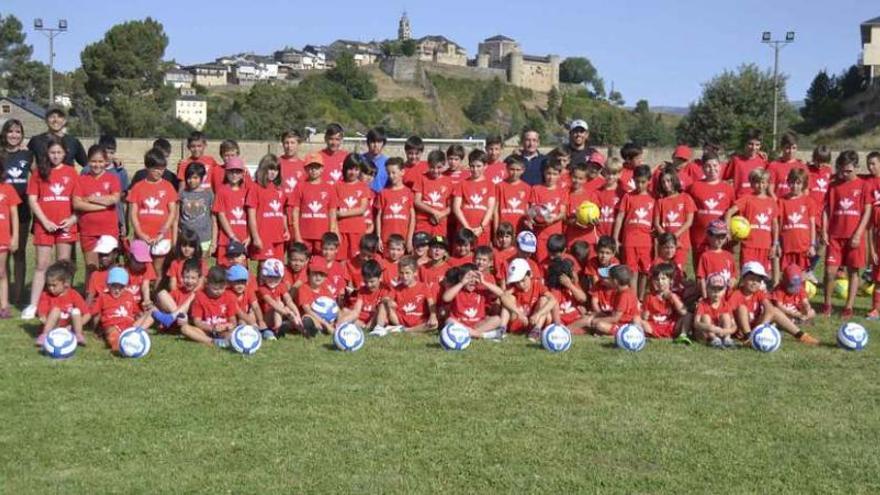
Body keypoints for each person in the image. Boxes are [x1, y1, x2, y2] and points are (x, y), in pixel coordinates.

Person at [23, 137, 79, 320]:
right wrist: (45, 221)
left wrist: (72, 219)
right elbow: (32, 200)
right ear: (47, 153)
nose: (55, 156)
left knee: (63, 265)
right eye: (52, 152)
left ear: (65, 153)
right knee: (41, 265)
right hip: (44, 225)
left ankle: (65, 303)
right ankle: (33, 304)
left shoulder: (72, 173)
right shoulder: (39, 172)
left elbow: (78, 201)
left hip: (65, 226)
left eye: (59, 153)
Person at [822, 150, 871, 317]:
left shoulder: (864, 185)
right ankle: (827, 305)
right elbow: (827, 209)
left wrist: (858, 234)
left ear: (856, 167)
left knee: (853, 272)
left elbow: (867, 211)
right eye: (842, 170)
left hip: (854, 237)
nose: (844, 174)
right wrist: (824, 229)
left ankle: (848, 307)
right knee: (830, 271)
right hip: (835, 236)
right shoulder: (833, 185)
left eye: (848, 171)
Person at [728, 261, 819, 345]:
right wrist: (733, 328)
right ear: (743, 279)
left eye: (758, 280)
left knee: (774, 310)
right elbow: (729, 314)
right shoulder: (736, 295)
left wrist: (762, 326)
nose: (755, 283)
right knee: (742, 308)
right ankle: (749, 338)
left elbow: (769, 307)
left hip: (755, 327)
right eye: (751, 279)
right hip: (741, 330)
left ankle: (801, 335)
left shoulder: (759, 293)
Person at [74, 144, 121, 283]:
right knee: (92, 267)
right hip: (88, 231)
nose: (97, 165)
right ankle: (90, 299)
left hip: (108, 230)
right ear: (88, 161)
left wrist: (91, 199)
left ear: (106, 162)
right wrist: (101, 206)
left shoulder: (112, 178)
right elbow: (77, 204)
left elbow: (114, 199)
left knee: (109, 266)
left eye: (100, 161)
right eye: (93, 161)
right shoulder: (81, 179)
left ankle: (110, 298)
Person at [128, 148, 178, 274]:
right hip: (142, 236)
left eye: (162, 169)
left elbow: (172, 212)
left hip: (161, 237)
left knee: (157, 269)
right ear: (147, 167)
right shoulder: (138, 187)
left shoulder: (168, 186)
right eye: (155, 168)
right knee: (141, 268)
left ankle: (156, 293)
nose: (159, 172)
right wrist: (140, 233)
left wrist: (162, 232)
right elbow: (133, 213)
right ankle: (143, 292)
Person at [1, 119, 33, 305]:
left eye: (18, 132)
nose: (14, 135)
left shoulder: (28, 155)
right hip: (2, 210)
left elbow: (40, 174)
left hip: (21, 210)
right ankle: (5, 290)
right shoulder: (1, 154)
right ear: (4, 134)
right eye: (10, 131)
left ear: (22, 135)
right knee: (2, 251)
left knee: (19, 252)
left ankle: (18, 295)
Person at [726, 168, 778, 278]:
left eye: (763, 182)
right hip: (748, 245)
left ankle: (761, 295)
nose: (760, 185)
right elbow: (729, 212)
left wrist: (774, 244)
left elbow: (775, 224)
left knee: (762, 277)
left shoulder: (771, 202)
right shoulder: (746, 198)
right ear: (751, 183)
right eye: (757, 182)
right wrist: (727, 231)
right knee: (747, 275)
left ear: (768, 183)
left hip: (765, 246)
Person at [688, 151, 734, 270]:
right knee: (700, 269)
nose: (712, 169)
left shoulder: (728, 188)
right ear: (702, 168)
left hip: (720, 237)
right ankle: (700, 288)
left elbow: (733, 212)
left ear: (720, 166)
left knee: (720, 268)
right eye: (708, 166)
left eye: (715, 165)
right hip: (699, 236)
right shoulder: (694, 187)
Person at [613, 165, 655, 298]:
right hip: (630, 239)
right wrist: (615, 238)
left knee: (645, 271)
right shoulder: (628, 196)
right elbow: (620, 217)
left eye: (643, 182)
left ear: (649, 180)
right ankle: (633, 299)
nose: (640, 185)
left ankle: (641, 298)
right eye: (637, 181)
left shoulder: (654, 198)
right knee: (632, 270)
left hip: (646, 241)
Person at [90, 267, 154, 352]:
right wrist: (96, 329)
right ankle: (118, 347)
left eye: (121, 287)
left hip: (130, 326)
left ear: (126, 287)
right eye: (114, 286)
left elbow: (136, 312)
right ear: (108, 285)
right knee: (112, 332)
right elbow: (96, 314)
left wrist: (142, 317)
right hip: (113, 325)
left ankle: (135, 336)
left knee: (150, 317)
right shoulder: (103, 297)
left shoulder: (129, 296)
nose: (117, 290)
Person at [572, 265, 642, 337]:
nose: (605, 279)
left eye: (609, 278)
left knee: (599, 325)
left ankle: (623, 334)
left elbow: (615, 318)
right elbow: (614, 315)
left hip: (624, 325)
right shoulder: (620, 292)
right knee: (590, 319)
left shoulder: (624, 295)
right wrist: (599, 315)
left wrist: (596, 320)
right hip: (618, 321)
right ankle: (568, 330)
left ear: (615, 281)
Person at [441, 263, 507, 339]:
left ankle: (470, 334)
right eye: (468, 277)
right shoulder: (457, 289)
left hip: (478, 324)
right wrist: (462, 283)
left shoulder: (480, 289)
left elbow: (501, 293)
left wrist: (483, 282)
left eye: (475, 277)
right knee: (449, 321)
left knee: (497, 319)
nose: (472, 280)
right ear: (461, 278)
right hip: (460, 324)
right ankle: (483, 335)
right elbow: (446, 298)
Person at [180, 266, 240, 348]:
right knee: (185, 329)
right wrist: (212, 329)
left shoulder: (230, 296)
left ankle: (224, 341)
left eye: (222, 288)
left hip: (224, 331)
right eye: (215, 288)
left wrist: (228, 325)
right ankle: (212, 341)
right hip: (206, 331)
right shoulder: (200, 296)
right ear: (207, 284)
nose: (218, 291)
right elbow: (197, 321)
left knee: (233, 333)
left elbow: (233, 320)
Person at [290, 153, 338, 254]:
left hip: (322, 236)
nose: (313, 170)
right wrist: (297, 235)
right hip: (304, 235)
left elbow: (332, 212)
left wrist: (331, 231)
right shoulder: (300, 186)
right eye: (310, 167)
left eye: (317, 167)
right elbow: (295, 212)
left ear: (322, 168)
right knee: (303, 261)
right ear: (306, 169)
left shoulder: (329, 188)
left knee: (320, 263)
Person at [34, 260, 89, 346]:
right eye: (49, 285)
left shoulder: (73, 294)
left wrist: (77, 325)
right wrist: (51, 326)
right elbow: (42, 316)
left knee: (76, 311)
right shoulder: (45, 296)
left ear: (65, 284)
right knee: (56, 310)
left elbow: (87, 314)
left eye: (54, 285)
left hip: (68, 328)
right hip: (54, 328)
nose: (51, 288)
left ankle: (78, 335)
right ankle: (44, 335)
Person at [246, 154, 289, 262]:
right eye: (270, 169)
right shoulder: (255, 187)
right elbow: (251, 215)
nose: (273, 172)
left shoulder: (280, 189)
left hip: (278, 236)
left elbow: (282, 212)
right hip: (264, 236)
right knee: (264, 267)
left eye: (276, 169)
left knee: (277, 267)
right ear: (263, 169)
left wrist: (286, 230)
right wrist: (255, 237)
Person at [526, 158, 568, 263]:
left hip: (555, 235)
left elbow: (562, 213)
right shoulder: (536, 189)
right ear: (544, 173)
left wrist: (553, 219)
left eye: (554, 174)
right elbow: (532, 210)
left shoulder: (562, 191)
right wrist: (532, 218)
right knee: (541, 262)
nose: (551, 177)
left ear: (559, 175)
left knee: (555, 262)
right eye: (548, 173)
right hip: (541, 234)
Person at [500, 258, 554, 340]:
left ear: (530, 275)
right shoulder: (514, 288)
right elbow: (503, 297)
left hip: (533, 321)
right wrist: (519, 313)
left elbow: (553, 300)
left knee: (544, 300)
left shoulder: (537, 284)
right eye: (517, 282)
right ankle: (501, 329)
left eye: (523, 280)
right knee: (509, 298)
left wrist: (538, 314)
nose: (521, 285)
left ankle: (536, 331)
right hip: (517, 322)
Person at [452, 149, 496, 247]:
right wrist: (467, 227)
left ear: (485, 166)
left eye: (478, 166)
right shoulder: (462, 184)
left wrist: (481, 227)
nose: (475, 169)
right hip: (464, 230)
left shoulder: (490, 185)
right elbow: (456, 208)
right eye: (472, 166)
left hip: (481, 231)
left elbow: (490, 209)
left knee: (480, 258)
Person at [653, 168, 695, 267]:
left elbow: (689, 221)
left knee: (677, 269)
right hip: (664, 244)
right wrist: (667, 239)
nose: (666, 184)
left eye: (669, 181)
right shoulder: (660, 201)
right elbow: (656, 223)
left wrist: (674, 237)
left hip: (681, 242)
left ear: (675, 180)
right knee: (663, 270)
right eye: (663, 182)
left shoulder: (686, 198)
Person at [384, 255, 437, 333]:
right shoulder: (397, 288)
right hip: (400, 320)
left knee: (435, 324)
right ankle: (380, 328)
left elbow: (431, 303)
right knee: (384, 306)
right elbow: (386, 298)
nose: (404, 276)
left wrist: (433, 316)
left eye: (407, 273)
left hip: (419, 320)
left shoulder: (424, 286)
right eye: (401, 273)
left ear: (415, 273)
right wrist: (389, 301)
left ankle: (406, 330)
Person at [640, 263, 692, 342]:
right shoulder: (649, 296)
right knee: (638, 321)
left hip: (670, 326)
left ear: (670, 281)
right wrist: (645, 315)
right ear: (653, 281)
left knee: (688, 315)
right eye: (657, 279)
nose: (660, 282)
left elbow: (683, 311)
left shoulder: (674, 296)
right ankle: (646, 336)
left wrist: (672, 297)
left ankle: (683, 335)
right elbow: (644, 317)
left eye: (663, 279)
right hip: (654, 326)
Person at [777, 168, 816, 273]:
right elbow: (777, 224)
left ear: (803, 184)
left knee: (801, 277)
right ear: (788, 182)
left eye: (798, 183)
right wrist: (777, 243)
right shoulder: (781, 201)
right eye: (792, 182)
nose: (795, 186)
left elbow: (812, 224)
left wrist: (812, 245)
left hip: (803, 247)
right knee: (787, 275)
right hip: (787, 246)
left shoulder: (809, 201)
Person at [334, 154, 371, 259]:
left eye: (356, 169)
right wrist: (335, 229)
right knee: (340, 259)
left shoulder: (363, 186)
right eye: (350, 169)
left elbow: (362, 209)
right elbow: (333, 210)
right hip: (341, 230)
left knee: (356, 259)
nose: (353, 172)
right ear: (345, 168)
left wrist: (342, 214)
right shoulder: (337, 186)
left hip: (357, 230)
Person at [152, 258, 201, 332]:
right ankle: (137, 328)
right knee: (162, 294)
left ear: (199, 279)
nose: (189, 281)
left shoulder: (200, 294)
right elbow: (163, 305)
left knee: (193, 296)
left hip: (187, 323)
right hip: (178, 320)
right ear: (182, 277)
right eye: (187, 277)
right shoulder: (178, 291)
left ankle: (172, 318)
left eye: (193, 278)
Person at [256, 258, 300, 340]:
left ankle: (297, 325)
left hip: (277, 315)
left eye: (276, 277)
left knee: (286, 306)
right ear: (264, 276)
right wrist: (289, 314)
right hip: (264, 319)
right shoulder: (262, 289)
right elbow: (273, 304)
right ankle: (277, 329)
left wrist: (297, 315)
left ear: (281, 277)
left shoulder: (281, 285)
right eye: (270, 276)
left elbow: (289, 301)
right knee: (279, 304)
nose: (273, 280)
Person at [376, 158, 415, 251]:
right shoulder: (383, 192)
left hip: (402, 240)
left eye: (394, 173)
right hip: (386, 239)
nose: (391, 176)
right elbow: (379, 215)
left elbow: (412, 216)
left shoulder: (408, 192)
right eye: (388, 173)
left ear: (402, 172)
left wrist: (409, 239)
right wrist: (378, 237)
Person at [0, 145, 21, 317]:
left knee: (1, 272)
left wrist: (15, 238)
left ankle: (4, 306)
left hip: (3, 238)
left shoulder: (7, 188)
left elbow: (14, 214)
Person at [177, 162, 215, 254]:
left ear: (202, 178)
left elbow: (214, 219)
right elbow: (176, 217)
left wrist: (213, 242)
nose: (191, 181)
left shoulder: (208, 194)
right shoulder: (182, 194)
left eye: (195, 178)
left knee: (201, 265)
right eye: (189, 178)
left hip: (204, 237)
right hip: (186, 238)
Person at [413, 150, 453, 238]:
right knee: (422, 249)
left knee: (438, 249)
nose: (435, 171)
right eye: (432, 167)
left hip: (440, 224)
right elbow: (417, 201)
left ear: (444, 165)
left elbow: (450, 206)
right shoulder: (421, 178)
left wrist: (441, 215)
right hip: (422, 224)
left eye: (439, 167)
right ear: (428, 165)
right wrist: (433, 211)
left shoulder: (448, 181)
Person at [295, 256, 336, 337]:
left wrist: (335, 321)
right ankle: (315, 330)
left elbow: (334, 306)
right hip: (313, 318)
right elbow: (307, 310)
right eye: (315, 273)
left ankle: (332, 329)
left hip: (326, 319)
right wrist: (325, 324)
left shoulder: (326, 289)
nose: (318, 276)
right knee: (306, 318)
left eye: (321, 274)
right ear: (309, 273)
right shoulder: (303, 288)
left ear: (325, 276)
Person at [696, 220, 738, 299]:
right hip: (711, 297)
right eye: (717, 236)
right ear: (709, 235)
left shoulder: (729, 255)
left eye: (723, 236)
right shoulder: (705, 256)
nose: (720, 239)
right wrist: (705, 297)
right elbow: (701, 279)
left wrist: (733, 281)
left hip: (727, 297)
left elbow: (734, 276)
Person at [693, 273, 737, 348]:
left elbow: (734, 326)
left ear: (724, 290)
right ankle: (713, 339)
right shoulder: (702, 304)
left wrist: (726, 331)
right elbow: (696, 323)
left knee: (726, 316)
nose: (716, 292)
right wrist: (710, 328)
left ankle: (727, 339)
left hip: (720, 332)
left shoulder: (726, 304)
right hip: (705, 333)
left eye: (719, 289)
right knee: (706, 317)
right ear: (707, 289)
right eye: (713, 289)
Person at [724, 129, 768, 199]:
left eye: (757, 145)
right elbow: (726, 180)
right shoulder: (736, 161)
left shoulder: (763, 161)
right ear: (745, 143)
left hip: (756, 202)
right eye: (750, 144)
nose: (754, 148)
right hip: (739, 201)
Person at [767, 132, 807, 198]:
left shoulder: (802, 166)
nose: (791, 151)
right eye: (787, 148)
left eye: (794, 148)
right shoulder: (773, 165)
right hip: (778, 205)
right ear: (782, 147)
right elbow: (770, 190)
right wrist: (779, 204)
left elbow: (805, 191)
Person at [362, 127, 389, 193]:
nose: (376, 145)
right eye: (373, 142)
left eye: (379, 142)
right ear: (368, 143)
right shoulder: (360, 160)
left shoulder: (388, 163)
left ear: (383, 143)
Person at [279, 129, 305, 196]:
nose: (289, 146)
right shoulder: (275, 163)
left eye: (292, 143)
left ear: (298, 144)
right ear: (283, 144)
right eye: (286, 143)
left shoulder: (304, 166)